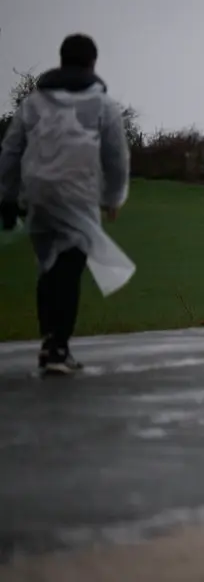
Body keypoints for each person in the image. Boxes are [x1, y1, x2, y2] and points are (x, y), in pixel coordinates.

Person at [0, 34, 132, 376]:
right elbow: (116, 157)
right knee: (69, 268)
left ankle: (49, 339)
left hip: (39, 194)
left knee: (48, 266)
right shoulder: (102, 105)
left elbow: (11, 150)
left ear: (61, 59)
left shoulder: (34, 103)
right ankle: (58, 345)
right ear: (93, 62)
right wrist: (113, 198)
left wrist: (7, 197)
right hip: (78, 195)